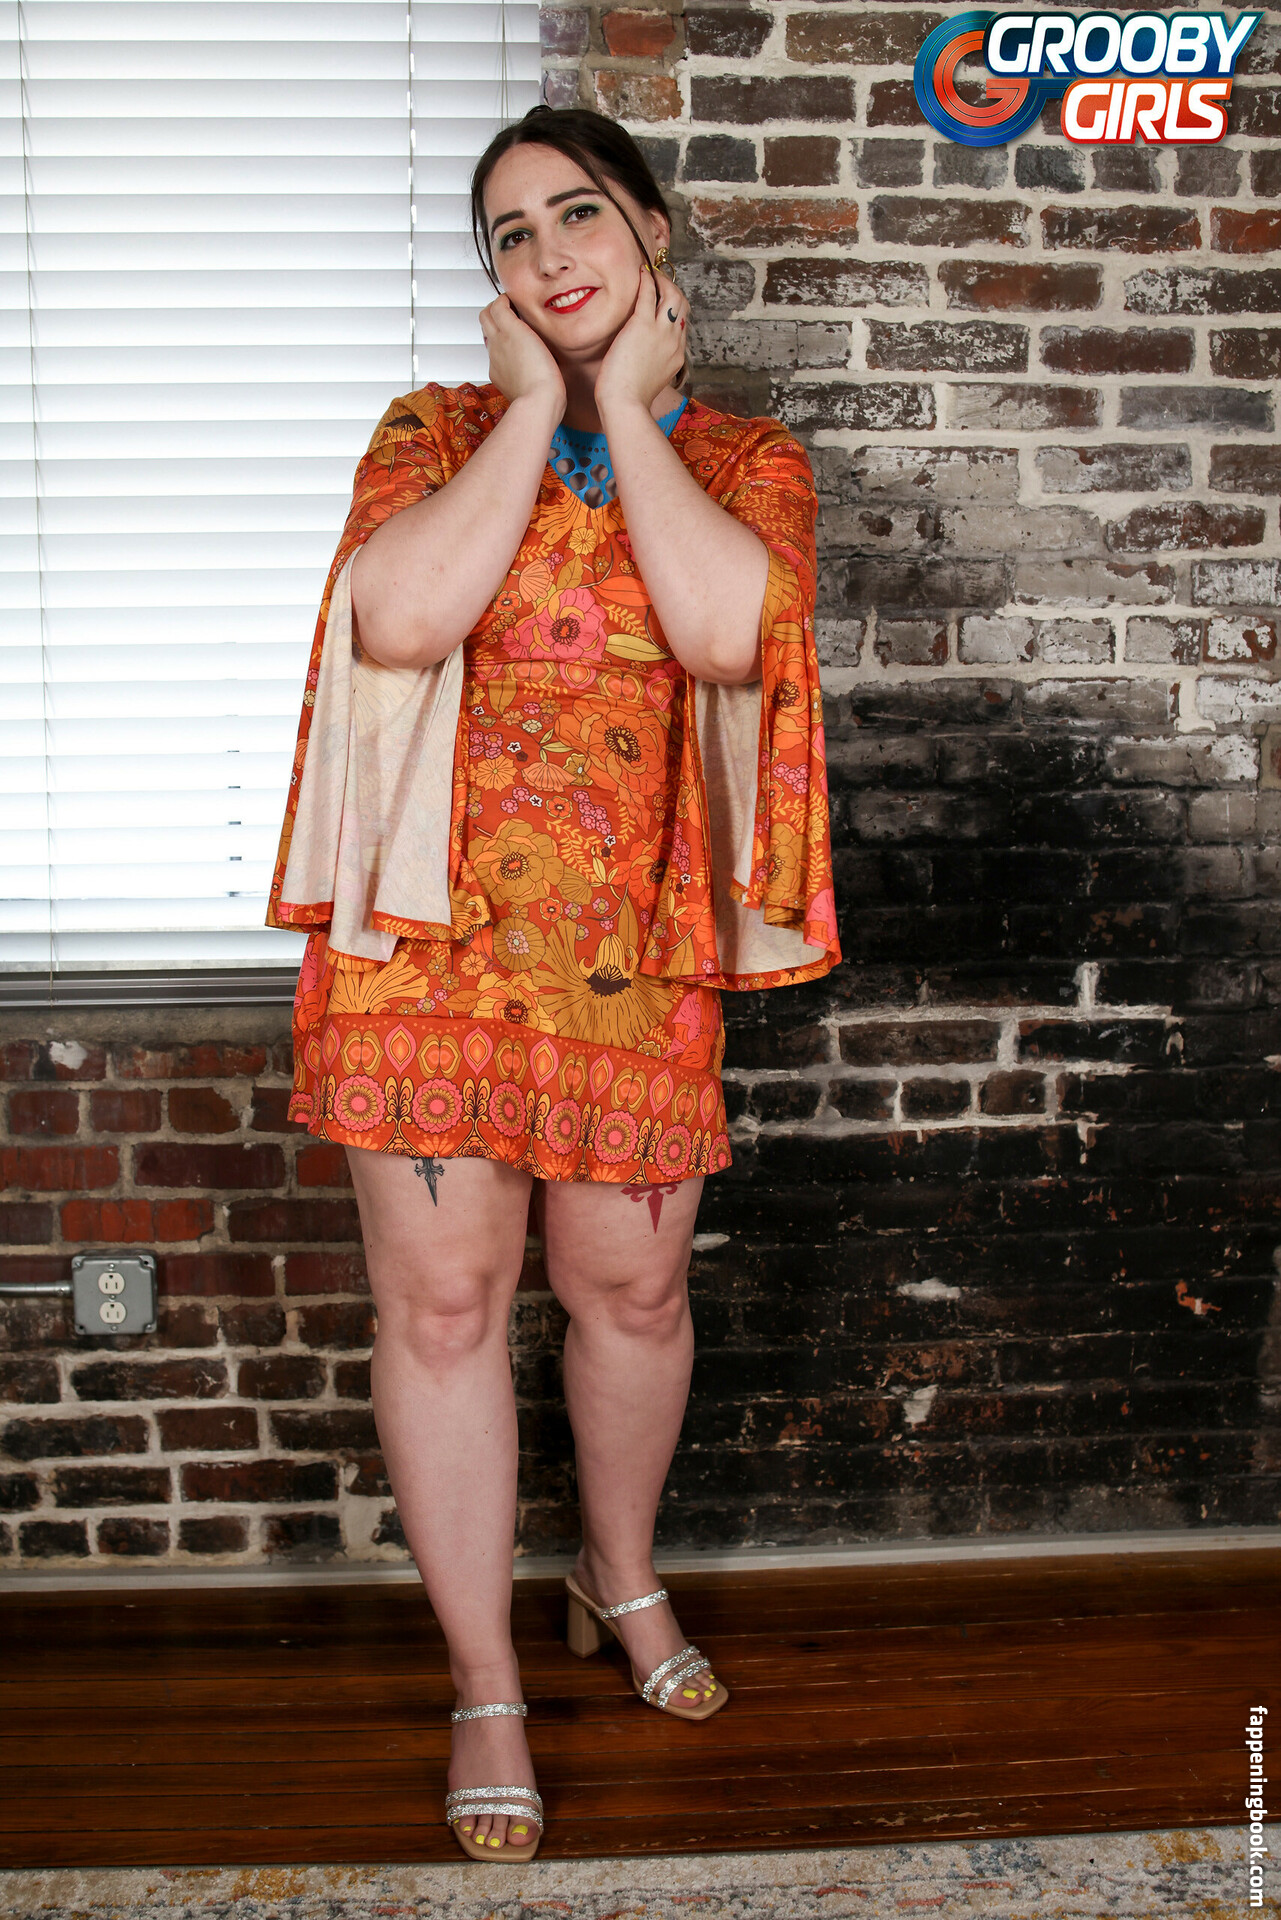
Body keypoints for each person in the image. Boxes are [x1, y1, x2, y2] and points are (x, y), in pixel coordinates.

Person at [268, 104, 839, 1862]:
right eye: (508, 236)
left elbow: (728, 634)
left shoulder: (744, 458)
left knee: (631, 1296)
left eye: (576, 213)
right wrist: (532, 408)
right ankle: (484, 1684)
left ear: (650, 230)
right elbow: (395, 620)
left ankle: (617, 1572)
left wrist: (624, 414)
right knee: (443, 1309)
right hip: (424, 958)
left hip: (626, 952)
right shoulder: (433, 433)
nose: (544, 255)